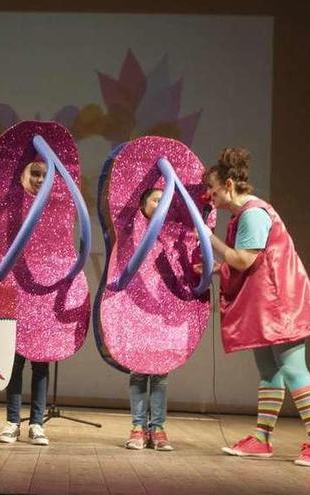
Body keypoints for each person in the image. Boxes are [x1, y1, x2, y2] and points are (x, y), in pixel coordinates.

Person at [198, 148, 310, 467]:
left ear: (228, 184)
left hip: (280, 304)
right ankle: (262, 438)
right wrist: (218, 268)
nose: (209, 196)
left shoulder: (254, 213)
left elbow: (245, 259)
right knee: (269, 371)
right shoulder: (242, 216)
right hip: (265, 305)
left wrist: (210, 240)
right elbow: (245, 262)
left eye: (213, 190)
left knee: (293, 368)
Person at [0, 161, 51, 446]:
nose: (41, 179)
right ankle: (12, 421)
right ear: (22, 175)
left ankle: (38, 424)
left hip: (44, 295)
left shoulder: (54, 208)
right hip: (16, 294)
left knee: (41, 365)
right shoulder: (11, 206)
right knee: (15, 363)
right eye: (35, 174)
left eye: (45, 175)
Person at [124, 188, 172, 451]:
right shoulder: (131, 226)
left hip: (163, 308)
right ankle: (138, 427)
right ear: (143, 202)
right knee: (139, 372)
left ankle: (158, 428)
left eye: (164, 199)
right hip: (136, 307)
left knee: (161, 373)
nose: (161, 203)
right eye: (156, 199)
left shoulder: (171, 229)